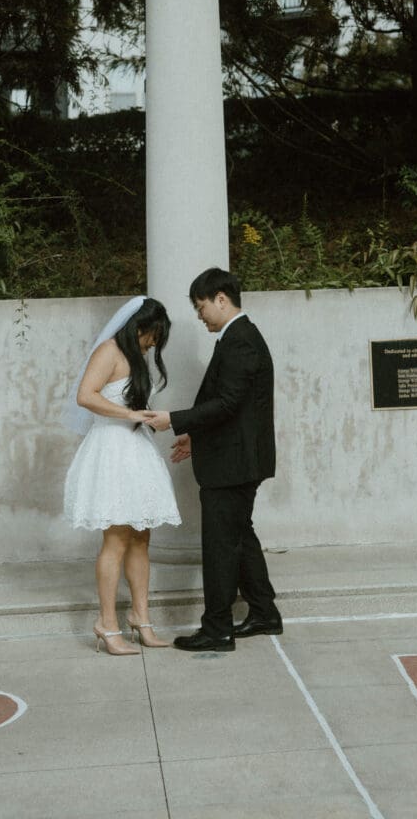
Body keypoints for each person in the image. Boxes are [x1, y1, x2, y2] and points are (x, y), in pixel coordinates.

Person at [145, 268, 282, 652]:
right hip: (236, 459)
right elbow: (231, 409)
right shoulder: (237, 339)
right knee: (240, 536)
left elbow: (226, 403)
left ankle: (218, 629)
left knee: (221, 545)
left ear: (221, 299)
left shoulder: (240, 342)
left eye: (201, 306)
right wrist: (195, 435)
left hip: (234, 465)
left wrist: (173, 420)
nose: (199, 314)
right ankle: (264, 612)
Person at [63, 296, 181, 656]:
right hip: (111, 452)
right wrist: (129, 416)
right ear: (139, 326)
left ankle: (141, 619)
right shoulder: (109, 351)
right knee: (115, 540)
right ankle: (106, 623)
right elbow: (86, 395)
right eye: (153, 335)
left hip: (137, 451)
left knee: (142, 537)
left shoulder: (137, 357)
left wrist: (145, 417)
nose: (154, 344)